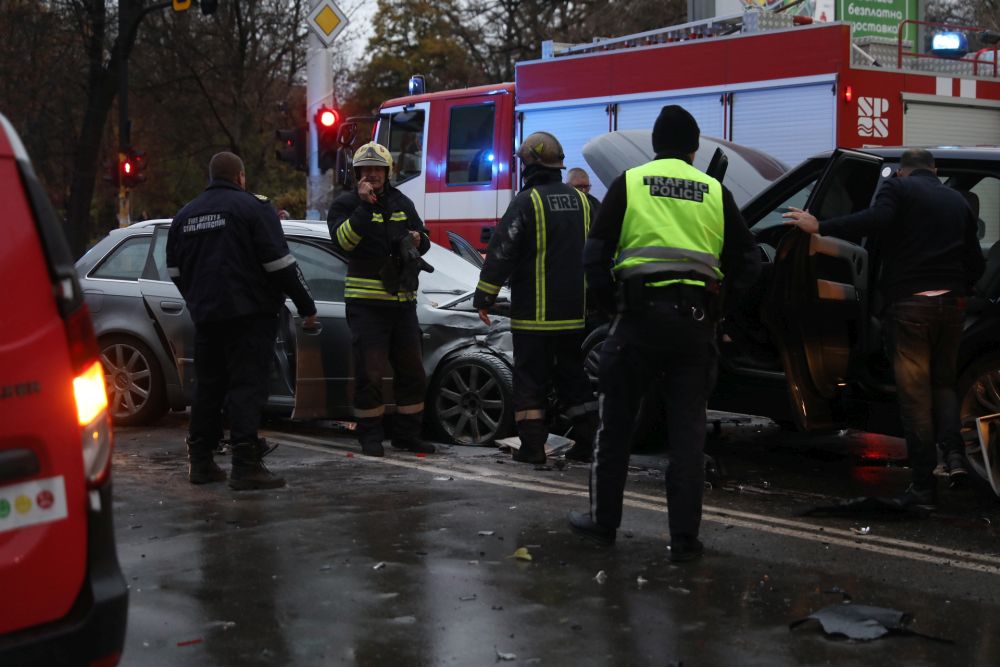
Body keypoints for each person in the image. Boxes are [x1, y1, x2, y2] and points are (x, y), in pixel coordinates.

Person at [568, 105, 760, 561]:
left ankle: (603, 523)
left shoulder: (630, 184)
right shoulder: (715, 191)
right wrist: (720, 308)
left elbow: (594, 254)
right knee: (688, 436)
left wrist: (611, 305)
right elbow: (750, 262)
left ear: (655, 146)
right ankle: (685, 541)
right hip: (694, 327)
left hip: (637, 321)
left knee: (614, 425)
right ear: (694, 149)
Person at [783, 148, 985, 509]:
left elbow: (876, 220)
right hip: (951, 306)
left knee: (915, 399)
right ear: (934, 170)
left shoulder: (898, 189)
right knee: (944, 384)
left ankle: (923, 485)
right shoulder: (958, 201)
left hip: (912, 305)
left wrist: (821, 226)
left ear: (903, 172)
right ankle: (955, 458)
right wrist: (961, 290)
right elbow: (974, 259)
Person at [167, 151, 317, 490]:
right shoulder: (253, 208)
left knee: (208, 388)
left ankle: (201, 463)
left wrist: (198, 298)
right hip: (249, 316)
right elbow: (280, 264)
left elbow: (175, 270)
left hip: (206, 316)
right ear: (240, 177)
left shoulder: (185, 215)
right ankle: (245, 464)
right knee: (247, 386)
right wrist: (307, 304)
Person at [473, 132, 599, 464]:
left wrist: (484, 297)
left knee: (531, 381)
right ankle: (589, 442)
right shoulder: (585, 202)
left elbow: (502, 251)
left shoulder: (527, 201)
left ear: (528, 163)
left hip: (533, 316)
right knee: (573, 377)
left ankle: (532, 449)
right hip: (574, 315)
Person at [327, 142, 434, 457]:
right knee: (370, 374)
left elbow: (423, 237)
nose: (372, 174)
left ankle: (407, 435)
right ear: (357, 173)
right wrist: (364, 207)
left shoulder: (402, 202)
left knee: (412, 372)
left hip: (403, 304)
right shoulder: (345, 204)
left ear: (388, 172)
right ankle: (370, 436)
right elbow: (344, 242)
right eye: (366, 170)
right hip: (367, 307)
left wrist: (419, 240)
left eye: (378, 169)